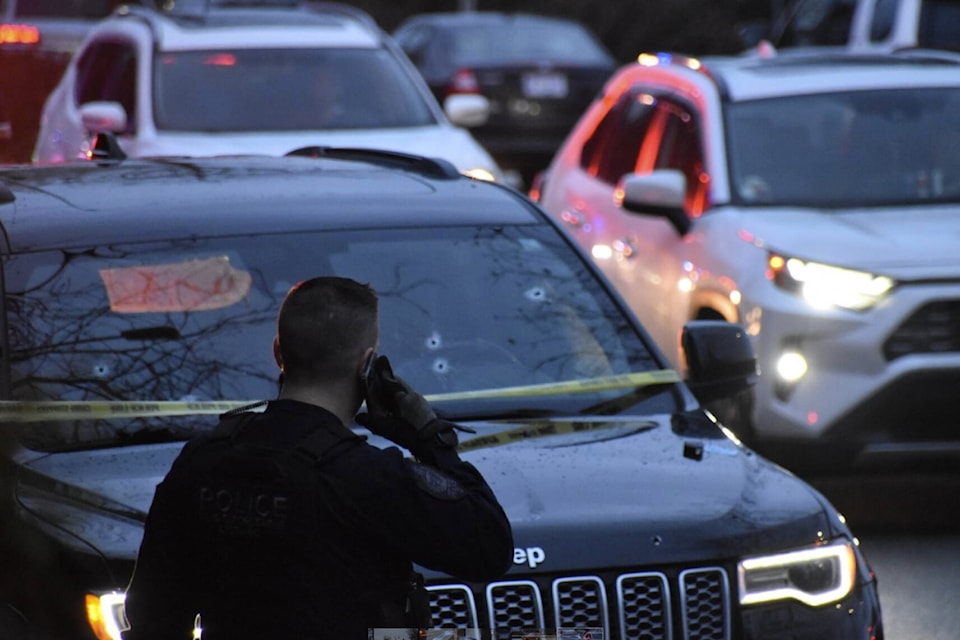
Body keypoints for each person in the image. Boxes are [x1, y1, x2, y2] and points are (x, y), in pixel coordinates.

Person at [123, 276, 514, 640]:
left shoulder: (200, 462)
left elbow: (151, 615)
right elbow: (490, 547)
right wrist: (429, 438)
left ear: (278, 352)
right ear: (367, 365)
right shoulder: (369, 477)